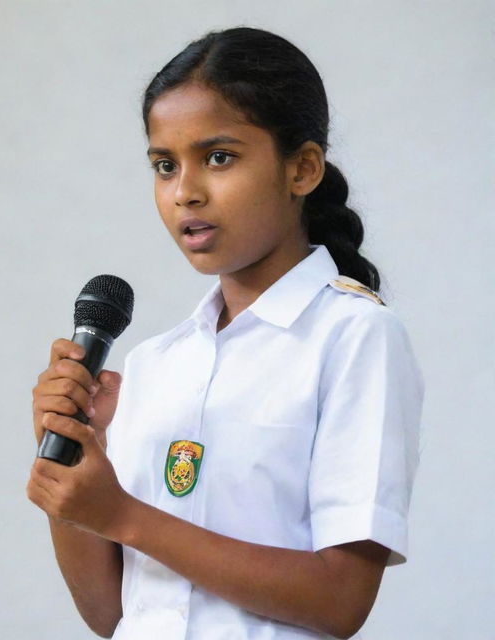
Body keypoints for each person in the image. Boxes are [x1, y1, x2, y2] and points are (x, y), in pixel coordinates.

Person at [27, 26, 425, 640]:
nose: (185, 192)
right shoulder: (155, 363)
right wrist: (74, 473)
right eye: (165, 165)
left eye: (218, 157)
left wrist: (125, 516)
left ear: (302, 168)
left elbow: (340, 600)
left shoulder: (354, 337)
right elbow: (114, 615)